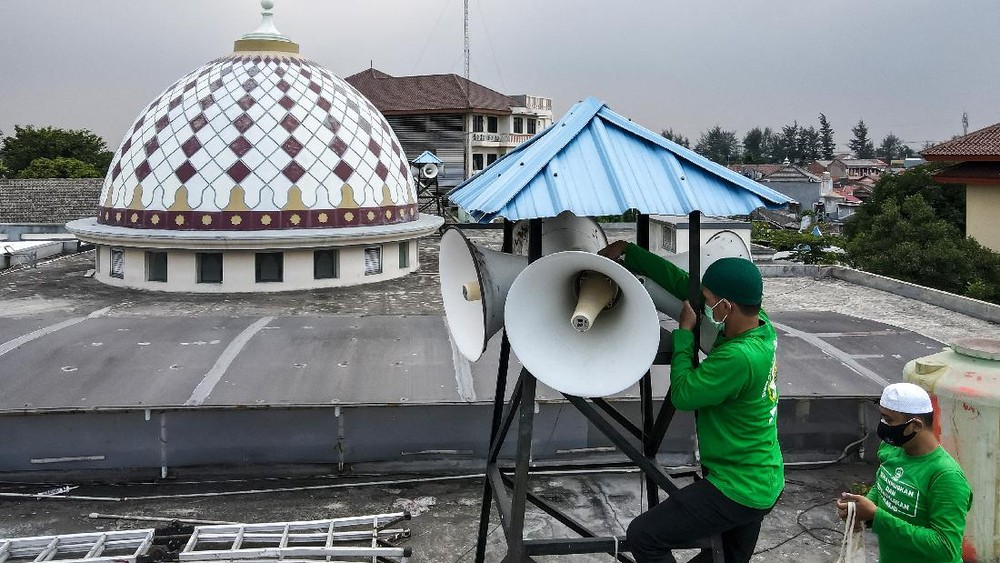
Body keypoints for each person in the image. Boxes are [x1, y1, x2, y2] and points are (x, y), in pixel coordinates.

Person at [599, 240, 783, 563]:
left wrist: (684, 334)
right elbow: (682, 283)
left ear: (727, 308)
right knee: (723, 558)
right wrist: (631, 252)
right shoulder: (760, 324)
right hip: (764, 477)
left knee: (644, 536)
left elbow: (684, 393)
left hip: (737, 486)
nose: (703, 307)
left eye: (709, 303)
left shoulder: (739, 358)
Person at [836, 382, 972, 563]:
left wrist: (876, 516)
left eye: (889, 419)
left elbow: (945, 548)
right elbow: (884, 482)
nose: (883, 425)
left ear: (915, 425)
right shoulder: (892, 449)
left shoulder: (946, 476)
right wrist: (861, 508)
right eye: (882, 417)